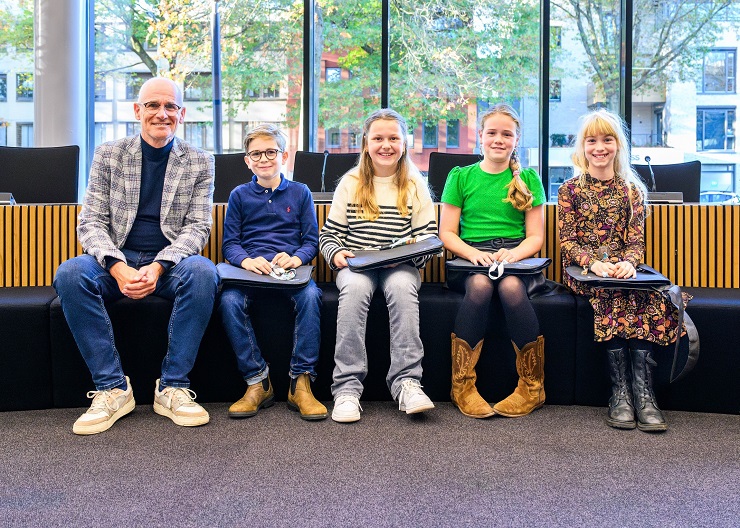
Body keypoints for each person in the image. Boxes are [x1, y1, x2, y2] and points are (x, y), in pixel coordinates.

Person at [53, 77, 219, 435]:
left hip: (170, 264)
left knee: (204, 273)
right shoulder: (109, 154)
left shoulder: (199, 161)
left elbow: (197, 229)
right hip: (117, 258)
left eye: (170, 106)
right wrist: (118, 267)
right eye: (153, 106)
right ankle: (112, 388)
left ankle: (173, 386)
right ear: (137, 111)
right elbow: (91, 223)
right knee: (69, 274)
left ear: (181, 113)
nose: (162, 113)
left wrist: (159, 266)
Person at [558, 109, 684, 432]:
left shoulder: (632, 192)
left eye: (607, 139)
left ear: (618, 146)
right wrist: (594, 263)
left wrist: (628, 263)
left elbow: (635, 242)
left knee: (638, 295)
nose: (599, 147)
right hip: (584, 272)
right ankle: (621, 392)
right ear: (582, 147)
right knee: (614, 293)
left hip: (624, 272)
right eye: (592, 141)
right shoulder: (568, 191)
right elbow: (568, 243)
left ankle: (643, 393)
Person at [320, 108, 437, 423]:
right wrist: (336, 255)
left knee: (401, 288)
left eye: (393, 138)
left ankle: (407, 383)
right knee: (355, 291)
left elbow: (428, 239)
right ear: (365, 143)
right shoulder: (351, 182)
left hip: (400, 266)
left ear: (404, 142)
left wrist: (405, 257)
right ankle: (346, 389)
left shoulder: (414, 183)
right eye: (378, 138)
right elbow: (330, 235)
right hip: (357, 263)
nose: (386, 145)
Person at [439, 103, 546, 419]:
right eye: (492, 133)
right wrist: (473, 254)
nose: (499, 139)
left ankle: (532, 388)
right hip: (470, 258)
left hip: (516, 258)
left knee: (512, 287)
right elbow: (447, 233)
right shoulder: (461, 177)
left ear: (516, 140)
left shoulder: (528, 178)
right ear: (480, 137)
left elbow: (536, 237)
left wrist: (513, 255)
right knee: (482, 285)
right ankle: (462, 386)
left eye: (507, 134)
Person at [217, 124, 326, 421]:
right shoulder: (239, 195)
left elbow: (311, 242)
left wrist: (295, 257)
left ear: (284, 155)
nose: (264, 159)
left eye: (271, 152)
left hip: (290, 272)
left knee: (311, 298)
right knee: (228, 301)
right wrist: (245, 261)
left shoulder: (300, 192)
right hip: (250, 272)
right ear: (247, 160)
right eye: (256, 154)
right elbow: (231, 244)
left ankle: (300, 383)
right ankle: (257, 381)